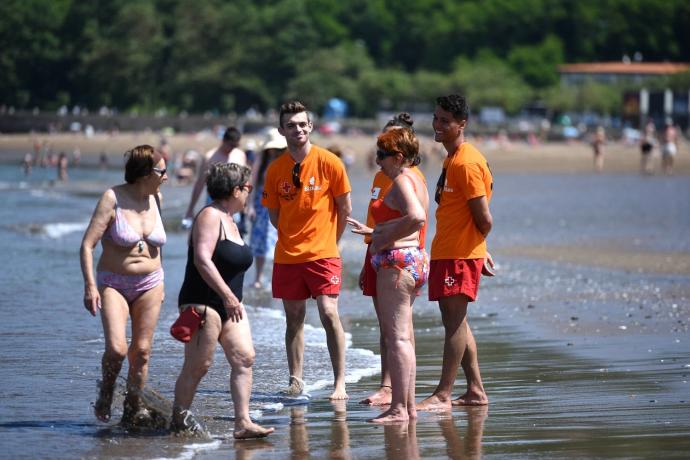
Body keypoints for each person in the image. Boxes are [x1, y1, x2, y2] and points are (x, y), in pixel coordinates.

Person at [172, 163, 274, 439]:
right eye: (247, 188)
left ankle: (243, 422)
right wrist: (228, 296)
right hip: (202, 301)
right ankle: (177, 420)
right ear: (235, 189)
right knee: (198, 366)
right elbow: (202, 260)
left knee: (244, 358)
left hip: (231, 305)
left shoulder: (232, 219)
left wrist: (232, 299)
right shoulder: (209, 215)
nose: (249, 193)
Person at [261, 100, 352, 400]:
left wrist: (330, 242)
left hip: (324, 254)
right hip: (288, 255)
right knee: (294, 318)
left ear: (311, 127)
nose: (298, 129)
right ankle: (295, 380)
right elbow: (274, 215)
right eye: (291, 125)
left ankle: (340, 382)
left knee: (328, 313)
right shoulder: (275, 170)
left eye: (302, 124)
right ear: (281, 130)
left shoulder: (330, 162)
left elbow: (345, 209)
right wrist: (291, 235)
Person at [80, 145, 167, 426]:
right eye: (163, 171)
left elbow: (156, 249)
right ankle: (106, 390)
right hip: (114, 284)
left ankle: (132, 407)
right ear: (146, 173)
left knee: (141, 352)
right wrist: (90, 287)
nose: (167, 177)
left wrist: (161, 280)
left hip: (151, 284)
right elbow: (87, 245)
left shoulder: (157, 198)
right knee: (118, 349)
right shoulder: (112, 198)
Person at [417, 94, 493, 411]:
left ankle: (443, 393)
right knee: (456, 323)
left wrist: (478, 249)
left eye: (445, 120)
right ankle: (475, 390)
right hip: (449, 251)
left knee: (455, 323)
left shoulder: (467, 163)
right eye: (436, 118)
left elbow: (484, 219)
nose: (438, 125)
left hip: (460, 255)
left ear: (461, 124)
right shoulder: (451, 158)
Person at [348, 128, 429, 423]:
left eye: (381, 155)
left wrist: (384, 238)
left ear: (397, 157)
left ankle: (399, 409)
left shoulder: (403, 179)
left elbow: (416, 217)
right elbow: (407, 217)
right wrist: (376, 231)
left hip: (397, 263)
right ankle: (406, 407)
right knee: (403, 338)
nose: (377, 160)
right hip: (410, 260)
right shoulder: (414, 178)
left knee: (397, 340)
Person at [182, 127, 246, 228]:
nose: (233, 148)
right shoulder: (210, 157)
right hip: (214, 202)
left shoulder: (239, 155)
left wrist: (246, 205)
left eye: (236, 145)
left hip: (235, 202)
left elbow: (245, 182)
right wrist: (191, 209)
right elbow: (199, 184)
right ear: (223, 141)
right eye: (231, 145)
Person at [246, 129, 286, 290]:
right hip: (262, 205)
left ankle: (277, 275)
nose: (275, 151)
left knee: (280, 240)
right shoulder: (261, 161)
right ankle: (258, 276)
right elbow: (252, 183)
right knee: (261, 242)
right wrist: (249, 206)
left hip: (283, 204)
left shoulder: (286, 160)